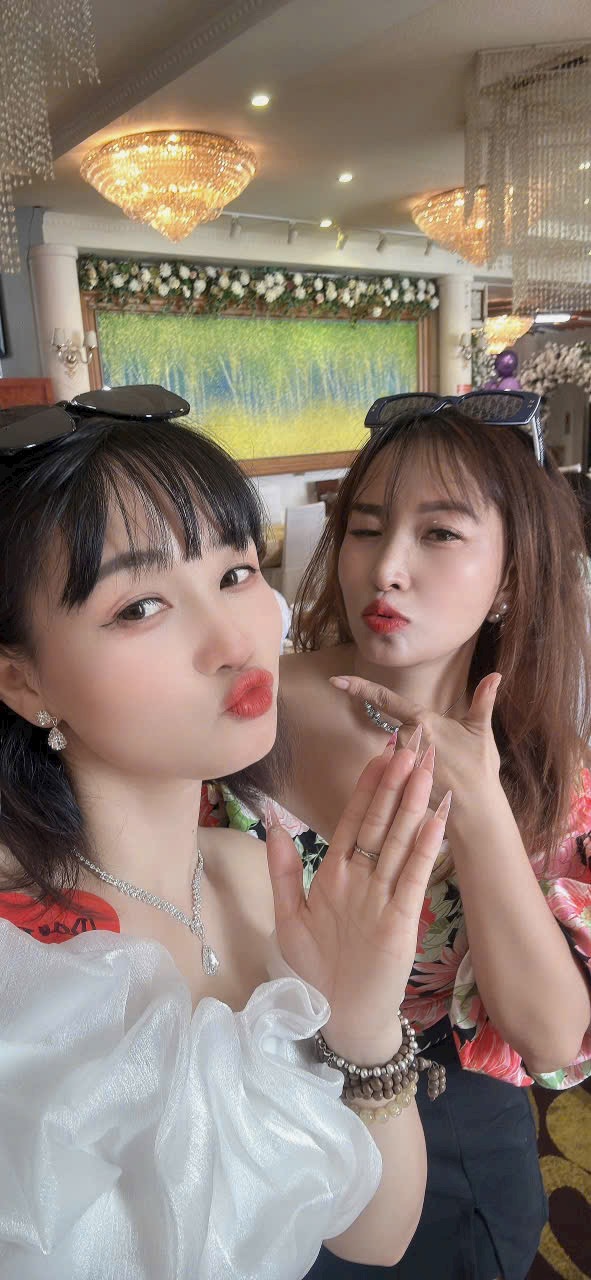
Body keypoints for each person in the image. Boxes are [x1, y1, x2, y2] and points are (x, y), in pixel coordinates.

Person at [0, 385, 452, 1280]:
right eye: (140, 607)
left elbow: (375, 1238)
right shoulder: (17, 951)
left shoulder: (257, 874)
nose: (234, 642)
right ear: (23, 683)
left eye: (235, 573)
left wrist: (364, 1023)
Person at [220, 393, 591, 1280]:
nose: (385, 567)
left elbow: (551, 1042)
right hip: (248, 1128)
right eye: (365, 528)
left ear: (511, 576)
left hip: (447, 1138)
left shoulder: (548, 765)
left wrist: (479, 802)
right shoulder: (245, 708)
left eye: (439, 534)